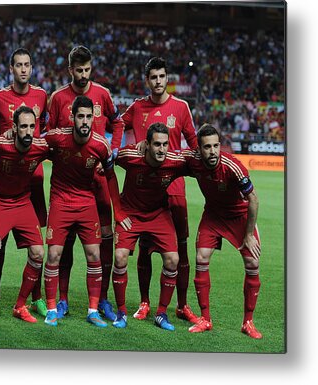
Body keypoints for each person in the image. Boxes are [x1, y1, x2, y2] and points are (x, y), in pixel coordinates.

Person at [46, 45, 124, 321]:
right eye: (78, 70)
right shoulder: (57, 98)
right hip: (68, 182)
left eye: (87, 69)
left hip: (98, 182)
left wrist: (113, 150)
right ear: (70, 70)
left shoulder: (102, 94)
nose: (83, 75)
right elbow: (48, 136)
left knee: (103, 241)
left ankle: (101, 300)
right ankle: (62, 299)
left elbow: (119, 123)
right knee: (63, 244)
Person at [121, 56, 198, 323]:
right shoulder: (137, 107)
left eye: (161, 77)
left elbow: (194, 145)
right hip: (143, 189)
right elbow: (117, 125)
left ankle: (182, 304)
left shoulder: (181, 107)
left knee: (181, 249)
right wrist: (135, 142)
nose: (157, 81)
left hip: (174, 187)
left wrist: (175, 158)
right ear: (147, 80)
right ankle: (144, 302)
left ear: (167, 79)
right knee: (144, 247)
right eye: (153, 77)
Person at [182, 124, 262, 339]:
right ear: (199, 148)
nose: (213, 151)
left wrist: (247, 235)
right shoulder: (193, 160)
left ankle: (248, 322)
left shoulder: (232, 166)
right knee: (201, 257)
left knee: (253, 264)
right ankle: (205, 319)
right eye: (207, 147)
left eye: (216, 145)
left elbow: (253, 199)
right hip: (214, 215)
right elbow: (170, 156)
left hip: (239, 217)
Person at [0, 48, 48, 316]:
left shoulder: (42, 96)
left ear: (31, 68)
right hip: (7, 173)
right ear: (11, 68)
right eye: (18, 65)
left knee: (39, 244)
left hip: (34, 181)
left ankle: (35, 297)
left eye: (27, 65)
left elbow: (46, 131)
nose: (23, 69)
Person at [0, 106, 49, 326]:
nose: (28, 131)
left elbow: (64, 146)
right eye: (23, 126)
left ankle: (20, 305)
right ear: (14, 128)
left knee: (38, 253)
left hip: (23, 203)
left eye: (32, 127)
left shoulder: (40, 147)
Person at [112, 123, 188, 330]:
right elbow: (107, 165)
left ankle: (161, 313)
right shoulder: (129, 156)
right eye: (156, 144)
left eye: (165, 144)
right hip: (130, 213)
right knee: (119, 258)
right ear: (146, 144)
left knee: (173, 259)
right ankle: (121, 312)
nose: (161, 149)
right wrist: (117, 210)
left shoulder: (174, 161)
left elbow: (199, 164)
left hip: (158, 214)